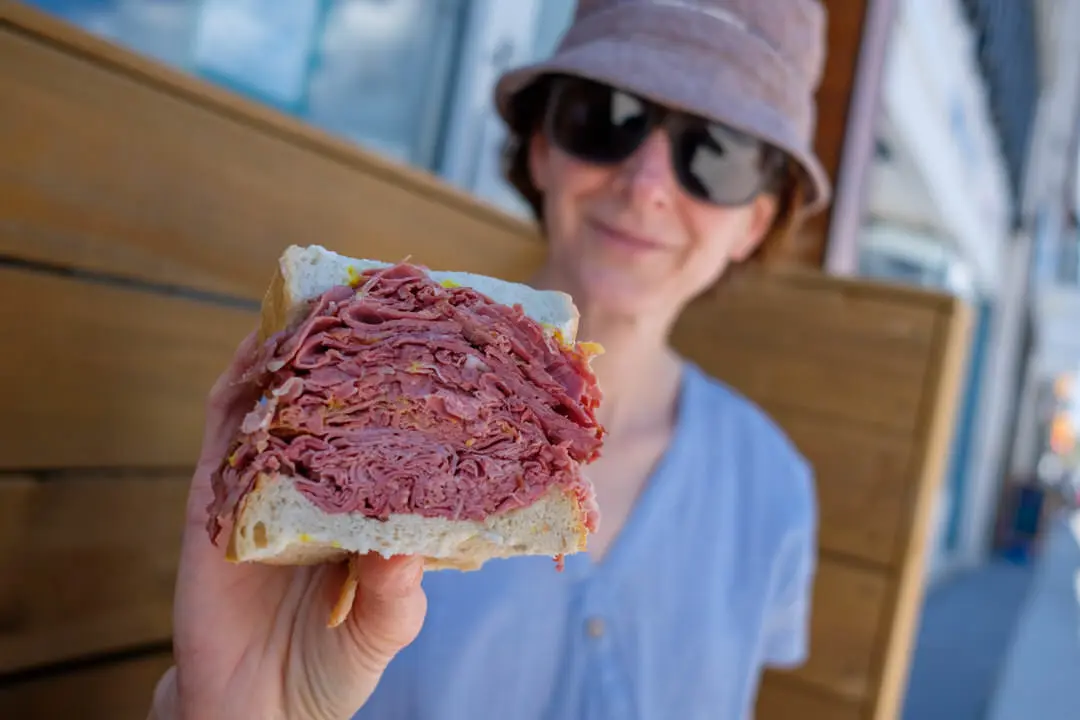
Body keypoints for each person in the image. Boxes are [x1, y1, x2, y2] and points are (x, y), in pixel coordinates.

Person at [150, 0, 830, 717]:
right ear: (542, 145)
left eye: (716, 153)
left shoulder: (776, 489)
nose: (646, 184)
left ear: (756, 219)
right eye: (607, 115)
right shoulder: (327, 430)